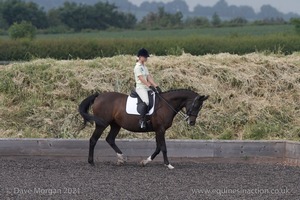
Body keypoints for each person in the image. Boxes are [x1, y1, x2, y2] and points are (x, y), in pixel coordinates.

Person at [134, 48, 162, 129]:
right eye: (145, 57)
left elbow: (148, 77)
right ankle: (142, 120)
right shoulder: (137, 67)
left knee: (156, 97)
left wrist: (156, 86)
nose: (146, 58)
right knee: (146, 101)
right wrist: (149, 86)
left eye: (146, 57)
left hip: (146, 87)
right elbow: (141, 78)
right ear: (140, 57)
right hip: (140, 88)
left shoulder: (144, 67)